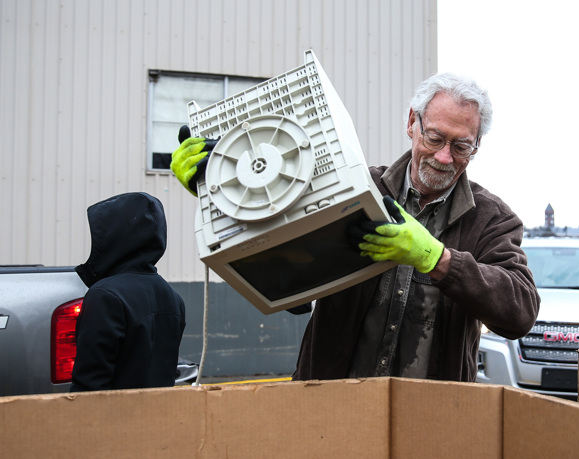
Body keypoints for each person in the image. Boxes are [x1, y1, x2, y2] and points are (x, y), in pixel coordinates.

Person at [171, 73, 540, 382]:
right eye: (435, 138)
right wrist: (221, 196)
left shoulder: (491, 219)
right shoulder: (352, 189)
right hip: (332, 409)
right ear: (412, 122)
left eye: (461, 146)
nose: (445, 157)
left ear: (477, 146)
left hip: (431, 421)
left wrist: (437, 258)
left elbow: (520, 312)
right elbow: (290, 292)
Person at [71, 192, 187, 391]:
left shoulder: (105, 295)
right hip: (158, 415)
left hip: (112, 418)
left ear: (114, 236)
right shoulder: (172, 297)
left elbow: (89, 384)